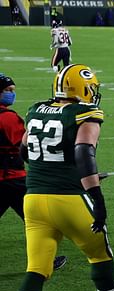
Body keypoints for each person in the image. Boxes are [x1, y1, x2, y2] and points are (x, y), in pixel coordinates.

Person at [17, 64, 114, 291]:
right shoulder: (85, 113)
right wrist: (97, 197)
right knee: (100, 256)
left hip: (34, 199)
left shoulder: (36, 109)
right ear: (83, 89)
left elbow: (25, 149)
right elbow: (84, 152)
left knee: (36, 268)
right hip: (70, 199)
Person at [0, 74, 67, 271]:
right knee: (40, 222)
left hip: (6, 178)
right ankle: (46, 260)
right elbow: (26, 144)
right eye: (8, 91)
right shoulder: (8, 118)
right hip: (14, 179)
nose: (12, 94)